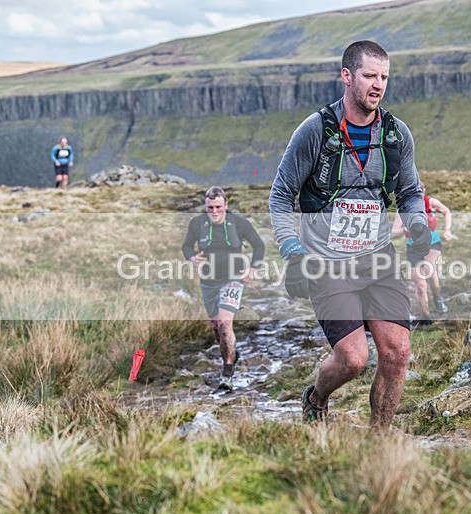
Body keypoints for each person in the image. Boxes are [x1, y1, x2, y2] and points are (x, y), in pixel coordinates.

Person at [269, 40, 431, 430]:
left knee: (397, 353)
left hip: (377, 259)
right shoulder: (315, 131)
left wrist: (418, 225)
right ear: (347, 76)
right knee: (354, 359)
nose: (378, 85)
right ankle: (317, 396)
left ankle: (379, 444)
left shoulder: (395, 134)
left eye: (385, 77)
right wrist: (293, 252)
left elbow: (409, 193)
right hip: (327, 264)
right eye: (369, 75)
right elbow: (280, 196)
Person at [182, 186, 265, 392]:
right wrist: (192, 257)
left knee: (225, 323)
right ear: (205, 206)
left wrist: (252, 268)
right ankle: (232, 353)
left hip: (233, 279)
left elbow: (259, 245)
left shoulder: (239, 223)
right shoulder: (197, 224)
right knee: (217, 327)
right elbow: (186, 246)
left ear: (226, 205)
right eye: (210, 208)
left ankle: (226, 375)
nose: (214, 212)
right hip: (208, 281)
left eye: (218, 207)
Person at [391, 181, 457, 325]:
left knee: (428, 268)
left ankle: (437, 298)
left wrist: (447, 230)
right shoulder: (402, 210)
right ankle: (426, 318)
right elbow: (394, 232)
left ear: (424, 192)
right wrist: (404, 230)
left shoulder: (431, 203)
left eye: (420, 194)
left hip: (432, 243)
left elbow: (446, 212)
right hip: (413, 247)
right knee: (420, 286)